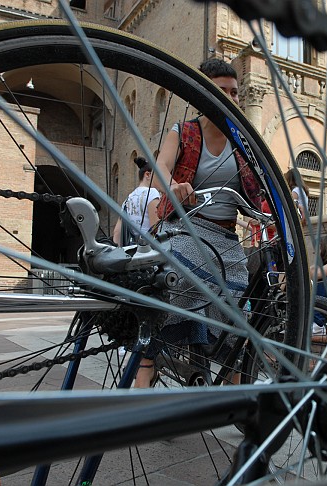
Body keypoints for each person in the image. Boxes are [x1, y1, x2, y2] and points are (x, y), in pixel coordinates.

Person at [134, 57, 262, 388]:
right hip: (186, 227)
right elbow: (161, 165)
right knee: (177, 280)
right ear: (202, 92)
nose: (232, 99)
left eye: (235, 92)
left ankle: (235, 392)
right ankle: (147, 363)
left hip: (225, 236)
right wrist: (172, 185)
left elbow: (261, 188)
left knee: (235, 313)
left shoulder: (242, 141)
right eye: (222, 91)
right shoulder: (185, 131)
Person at [112, 156, 160, 246]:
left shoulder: (128, 199)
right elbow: (156, 228)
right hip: (146, 252)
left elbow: (117, 232)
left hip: (129, 252)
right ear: (147, 175)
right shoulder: (152, 193)